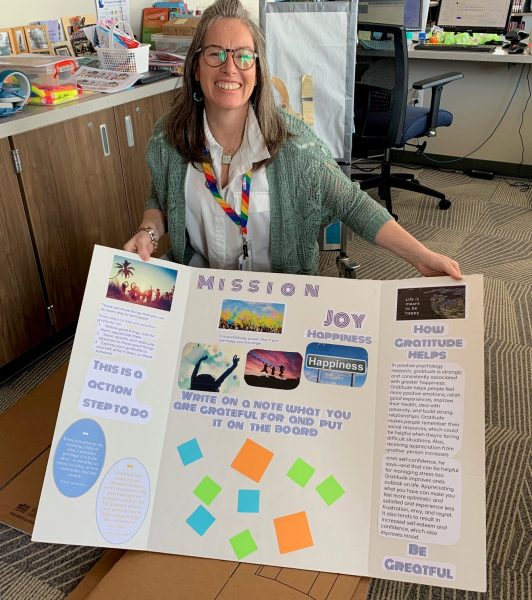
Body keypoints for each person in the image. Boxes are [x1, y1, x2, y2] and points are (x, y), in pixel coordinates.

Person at [124, 0, 461, 281]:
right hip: (199, 289)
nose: (230, 68)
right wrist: (148, 232)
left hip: (278, 301)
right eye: (215, 54)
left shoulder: (295, 145)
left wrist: (421, 255)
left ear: (257, 71)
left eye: (243, 56)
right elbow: (161, 197)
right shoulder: (168, 136)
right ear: (196, 67)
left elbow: (353, 205)